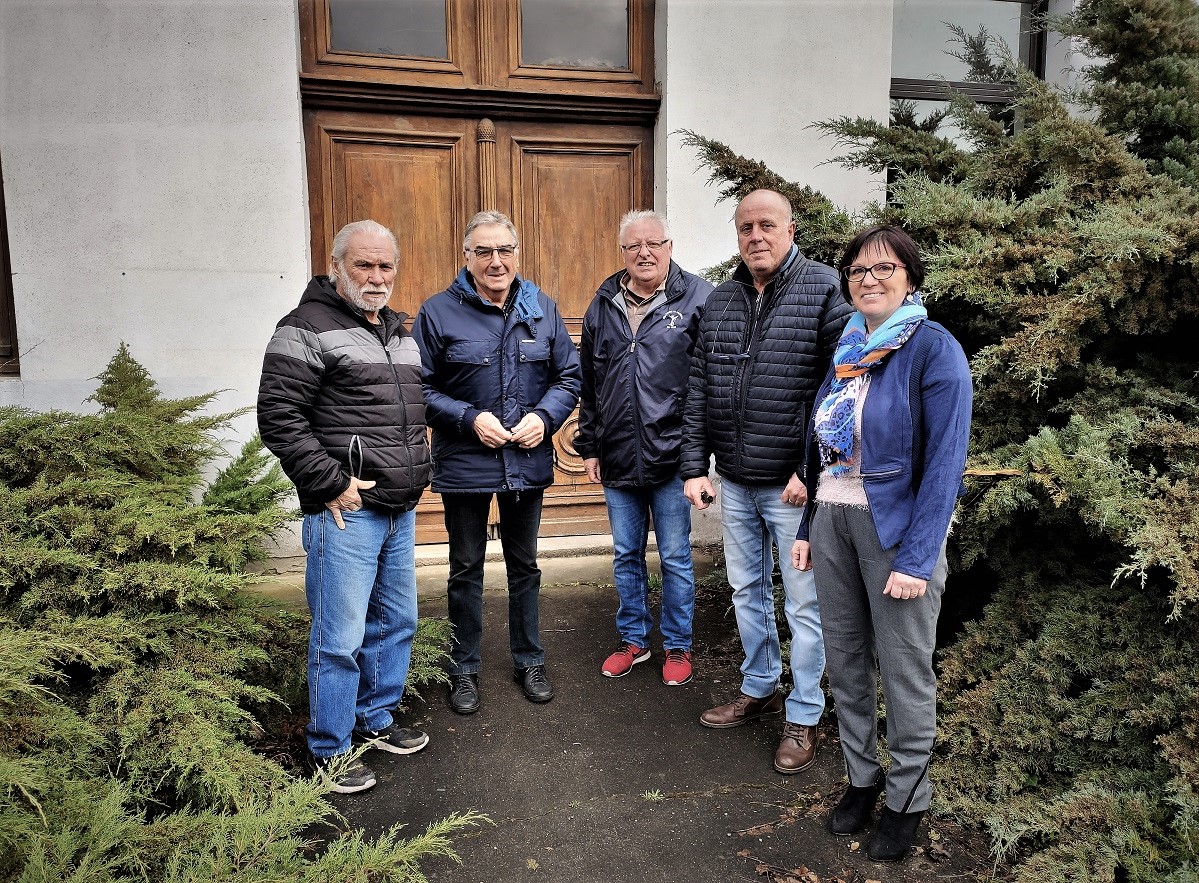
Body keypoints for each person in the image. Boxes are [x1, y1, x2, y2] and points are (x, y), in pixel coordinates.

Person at [791, 225, 972, 862]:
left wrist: (920, 558)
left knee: (904, 672)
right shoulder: (848, 350)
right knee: (844, 663)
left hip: (896, 534)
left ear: (911, 279)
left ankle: (907, 800)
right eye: (859, 269)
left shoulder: (934, 350)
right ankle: (863, 780)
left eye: (885, 267)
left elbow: (945, 464)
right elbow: (824, 450)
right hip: (836, 523)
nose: (870, 278)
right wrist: (811, 524)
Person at [258, 219, 431, 795]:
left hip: (397, 508)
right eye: (364, 265)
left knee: (396, 623)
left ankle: (375, 720)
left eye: (386, 266)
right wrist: (330, 483)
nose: (377, 277)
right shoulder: (304, 327)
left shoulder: (399, 332)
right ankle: (329, 748)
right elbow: (278, 416)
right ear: (336, 266)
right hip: (346, 512)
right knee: (339, 636)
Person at [681, 189, 850, 774]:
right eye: (746, 226)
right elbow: (699, 384)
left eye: (767, 225)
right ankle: (759, 688)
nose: (756, 235)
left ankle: (803, 715)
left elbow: (840, 391)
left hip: (791, 488)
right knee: (746, 592)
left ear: (791, 228)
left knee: (804, 607)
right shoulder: (721, 300)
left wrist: (815, 469)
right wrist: (694, 466)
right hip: (734, 480)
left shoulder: (826, 289)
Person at [414, 210, 581, 715]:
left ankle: (529, 658)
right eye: (483, 251)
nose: (495, 261)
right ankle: (463, 669)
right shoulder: (437, 312)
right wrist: (468, 419)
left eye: (504, 250)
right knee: (465, 568)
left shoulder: (543, 309)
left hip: (526, 462)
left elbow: (569, 377)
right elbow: (418, 387)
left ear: (517, 253)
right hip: (466, 462)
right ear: (467, 257)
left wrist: (545, 417)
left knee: (524, 565)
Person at [576, 210, 713, 686]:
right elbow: (589, 383)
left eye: (654, 243)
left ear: (670, 246)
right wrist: (589, 444)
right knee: (626, 553)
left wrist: (698, 456)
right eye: (634, 246)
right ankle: (633, 640)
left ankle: (677, 646)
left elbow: (708, 381)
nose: (644, 253)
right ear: (623, 252)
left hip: (674, 455)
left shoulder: (698, 297)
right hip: (616, 453)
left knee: (675, 555)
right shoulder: (603, 302)